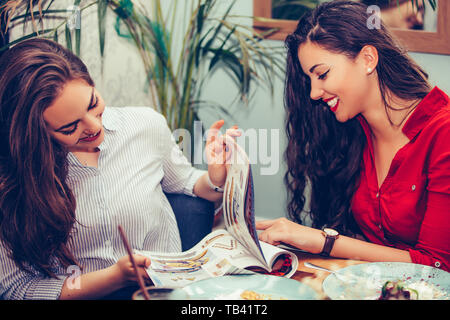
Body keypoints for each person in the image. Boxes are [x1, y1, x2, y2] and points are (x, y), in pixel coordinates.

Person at [0, 38, 238, 299]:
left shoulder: (145, 125)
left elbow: (186, 183)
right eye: (70, 127)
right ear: (32, 134)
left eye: (93, 104)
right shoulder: (14, 179)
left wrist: (216, 177)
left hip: (166, 294)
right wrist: (114, 277)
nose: (94, 127)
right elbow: (17, 289)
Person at [256, 1, 449, 272]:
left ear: (367, 59)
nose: (313, 93)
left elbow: (438, 266)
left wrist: (324, 241)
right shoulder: (352, 130)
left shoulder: (443, 132)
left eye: (322, 74)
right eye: (310, 79)